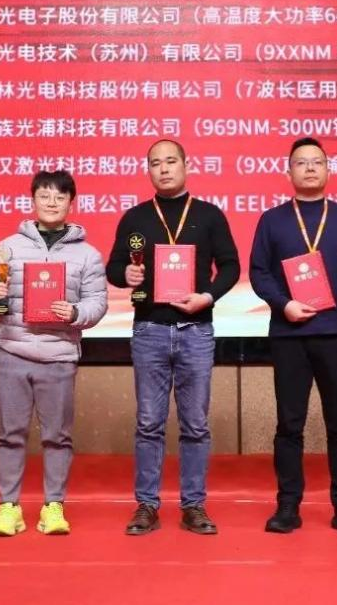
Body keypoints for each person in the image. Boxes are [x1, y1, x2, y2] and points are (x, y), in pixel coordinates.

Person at [106, 139, 240, 535]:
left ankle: (193, 505)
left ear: (186, 165)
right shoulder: (135, 217)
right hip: (149, 329)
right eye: (155, 163)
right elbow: (114, 267)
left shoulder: (209, 215)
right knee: (149, 422)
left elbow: (230, 266)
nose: (163, 169)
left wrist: (207, 297)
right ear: (148, 170)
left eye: (170, 161)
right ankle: (146, 505)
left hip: (196, 330)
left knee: (195, 423)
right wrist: (125, 275)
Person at [248, 137, 337, 535]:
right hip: (290, 333)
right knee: (289, 424)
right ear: (289, 172)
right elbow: (258, 272)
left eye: (317, 162)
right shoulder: (272, 220)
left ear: (328, 169)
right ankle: (288, 505)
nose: (310, 168)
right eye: (301, 163)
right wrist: (283, 304)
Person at [0, 170, 107, 537]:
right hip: (13, 351)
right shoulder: (8, 247)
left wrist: (76, 313)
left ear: (71, 203)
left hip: (59, 355)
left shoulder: (88, 255)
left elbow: (97, 302)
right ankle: (9, 507)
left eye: (60, 197)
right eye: (45, 196)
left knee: (57, 437)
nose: (52, 203)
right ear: (33, 200)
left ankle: (53, 505)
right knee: (10, 434)